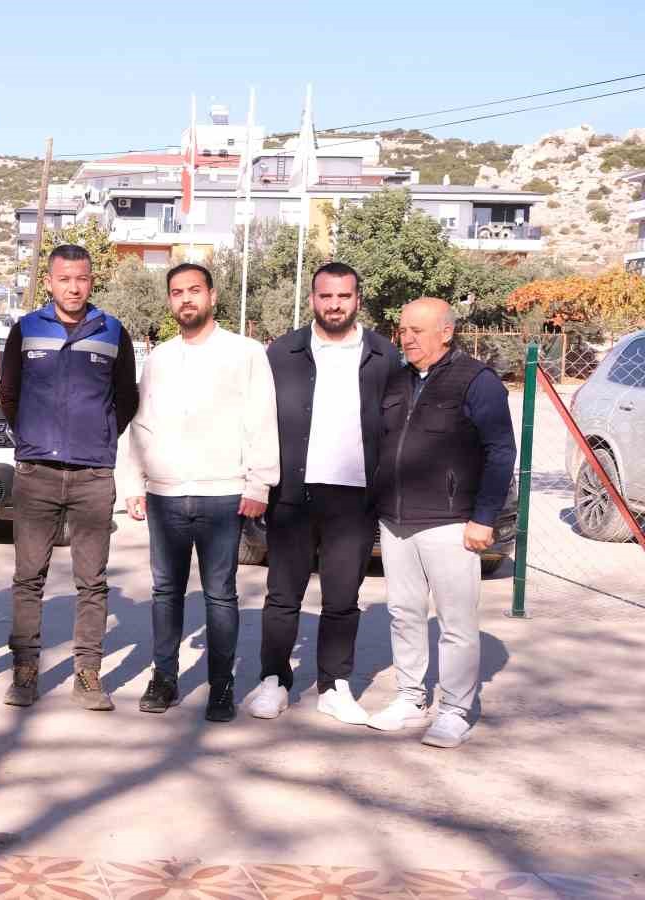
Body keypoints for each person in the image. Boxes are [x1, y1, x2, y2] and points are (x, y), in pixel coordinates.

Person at [122, 263, 278, 723]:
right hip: (166, 494)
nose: (186, 299)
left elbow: (262, 419)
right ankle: (164, 678)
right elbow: (141, 423)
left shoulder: (245, 353)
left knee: (220, 594)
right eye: (177, 292)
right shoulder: (160, 358)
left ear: (212, 295)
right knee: (165, 591)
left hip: (223, 493)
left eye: (194, 290)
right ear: (170, 300)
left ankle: (221, 686)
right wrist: (132, 481)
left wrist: (259, 483)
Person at [249, 263, 402, 724]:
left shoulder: (382, 354)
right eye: (326, 296)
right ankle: (273, 681)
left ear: (358, 299)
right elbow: (258, 420)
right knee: (282, 596)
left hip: (354, 499)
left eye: (344, 296)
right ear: (313, 298)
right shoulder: (283, 352)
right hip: (292, 495)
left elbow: (394, 425)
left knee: (342, 599)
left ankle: (334, 686)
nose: (335, 305)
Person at [0, 244, 138, 710]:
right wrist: (32, 437)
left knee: (92, 581)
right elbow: (9, 394)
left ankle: (88, 674)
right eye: (64, 279)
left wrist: (98, 437)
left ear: (91, 280)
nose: (73, 288)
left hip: (92, 475)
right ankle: (25, 671)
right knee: (28, 578)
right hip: (36, 472)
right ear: (49, 282)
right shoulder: (26, 330)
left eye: (81, 278)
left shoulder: (112, 331)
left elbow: (126, 398)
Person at [369, 297, 513, 748]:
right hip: (396, 521)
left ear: (446, 332)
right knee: (403, 613)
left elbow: (500, 452)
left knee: (455, 622)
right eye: (402, 330)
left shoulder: (477, 381)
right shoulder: (397, 380)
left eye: (417, 330)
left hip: (452, 523)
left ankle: (454, 710)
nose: (406, 338)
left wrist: (483, 518)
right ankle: (411, 698)